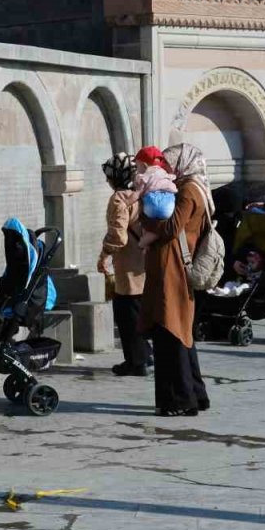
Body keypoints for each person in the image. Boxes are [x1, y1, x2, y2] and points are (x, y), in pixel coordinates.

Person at [137, 143, 210, 417]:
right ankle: (195, 393)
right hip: (173, 266)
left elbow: (170, 228)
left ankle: (179, 400)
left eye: (170, 163)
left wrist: (146, 217)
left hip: (173, 269)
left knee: (170, 330)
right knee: (181, 330)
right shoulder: (191, 187)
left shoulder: (189, 191)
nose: (166, 168)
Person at [97, 153, 153, 377]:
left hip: (128, 267)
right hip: (145, 263)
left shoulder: (119, 198)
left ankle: (136, 361)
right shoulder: (141, 194)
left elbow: (118, 236)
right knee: (138, 312)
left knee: (127, 316)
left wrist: (104, 256)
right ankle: (146, 355)